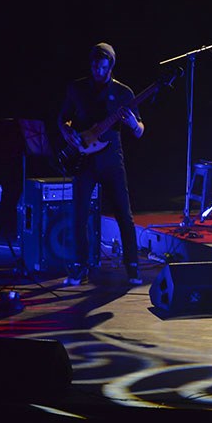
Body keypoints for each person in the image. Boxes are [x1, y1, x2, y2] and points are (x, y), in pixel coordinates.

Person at [58, 42, 144, 286]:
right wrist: (68, 133)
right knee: (79, 215)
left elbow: (139, 130)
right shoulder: (77, 88)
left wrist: (131, 123)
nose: (98, 71)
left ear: (111, 66)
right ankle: (79, 267)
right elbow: (63, 119)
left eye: (103, 67)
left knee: (124, 214)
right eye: (95, 66)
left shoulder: (124, 92)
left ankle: (132, 267)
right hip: (83, 159)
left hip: (111, 160)